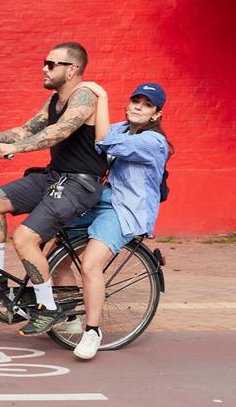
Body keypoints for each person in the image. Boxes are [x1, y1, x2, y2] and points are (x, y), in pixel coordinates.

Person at [0, 42, 107, 335]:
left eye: (51, 64)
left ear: (72, 70)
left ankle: (48, 308)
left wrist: (14, 149)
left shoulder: (84, 97)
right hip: (54, 177)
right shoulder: (54, 100)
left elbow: (59, 132)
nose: (44, 68)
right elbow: (26, 129)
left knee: (25, 238)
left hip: (78, 185)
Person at [70, 81, 171, 360]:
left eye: (147, 105)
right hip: (99, 199)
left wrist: (101, 96)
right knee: (51, 240)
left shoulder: (154, 142)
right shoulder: (119, 128)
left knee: (90, 264)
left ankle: (92, 331)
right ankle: (67, 318)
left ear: (156, 114)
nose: (138, 107)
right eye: (135, 101)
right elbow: (90, 139)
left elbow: (103, 141)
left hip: (125, 209)